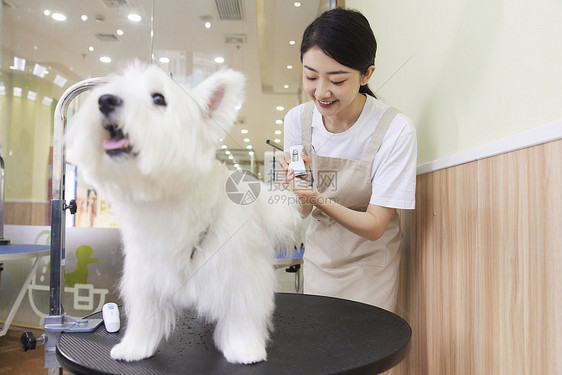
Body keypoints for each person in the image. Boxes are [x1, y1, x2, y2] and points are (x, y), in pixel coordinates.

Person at [279, 8, 417, 312]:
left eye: (337, 80)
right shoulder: (297, 121)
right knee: (321, 347)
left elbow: (374, 226)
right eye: (311, 76)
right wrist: (294, 187)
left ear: (366, 74)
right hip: (320, 260)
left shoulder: (394, 129)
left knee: (368, 350)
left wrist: (314, 195)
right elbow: (301, 211)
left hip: (373, 266)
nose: (322, 92)